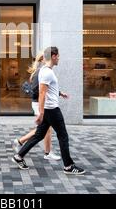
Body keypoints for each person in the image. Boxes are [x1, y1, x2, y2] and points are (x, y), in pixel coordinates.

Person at [12, 46, 86, 175]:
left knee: (39, 135)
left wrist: (59, 93)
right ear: (53, 56)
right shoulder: (47, 72)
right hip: (51, 110)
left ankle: (19, 156)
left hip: (48, 109)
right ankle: (68, 166)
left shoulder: (46, 71)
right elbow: (42, 92)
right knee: (63, 136)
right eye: (58, 56)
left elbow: (48, 89)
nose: (59, 58)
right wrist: (41, 113)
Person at [12, 52, 61, 161]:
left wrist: (59, 93)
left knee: (45, 128)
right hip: (38, 103)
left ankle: (21, 142)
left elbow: (47, 88)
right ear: (43, 60)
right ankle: (45, 152)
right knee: (44, 129)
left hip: (40, 103)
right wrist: (42, 98)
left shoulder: (42, 71)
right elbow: (37, 90)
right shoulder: (40, 71)